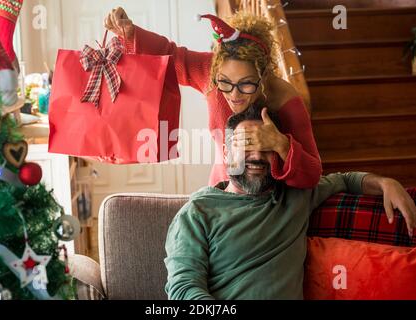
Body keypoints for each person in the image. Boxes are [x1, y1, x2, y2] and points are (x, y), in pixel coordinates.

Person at [164, 104, 416, 300]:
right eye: (247, 145)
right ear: (227, 152)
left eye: (266, 147)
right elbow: (183, 288)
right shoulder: (198, 211)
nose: (256, 156)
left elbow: (346, 179)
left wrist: (385, 183)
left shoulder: (295, 195)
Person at [104, 8, 322, 187]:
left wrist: (281, 145)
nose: (234, 95)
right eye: (224, 83)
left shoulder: (285, 99)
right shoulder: (209, 73)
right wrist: (130, 33)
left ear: (264, 74)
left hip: (268, 203)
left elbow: (313, 175)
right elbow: (171, 56)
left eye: (246, 84)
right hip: (221, 190)